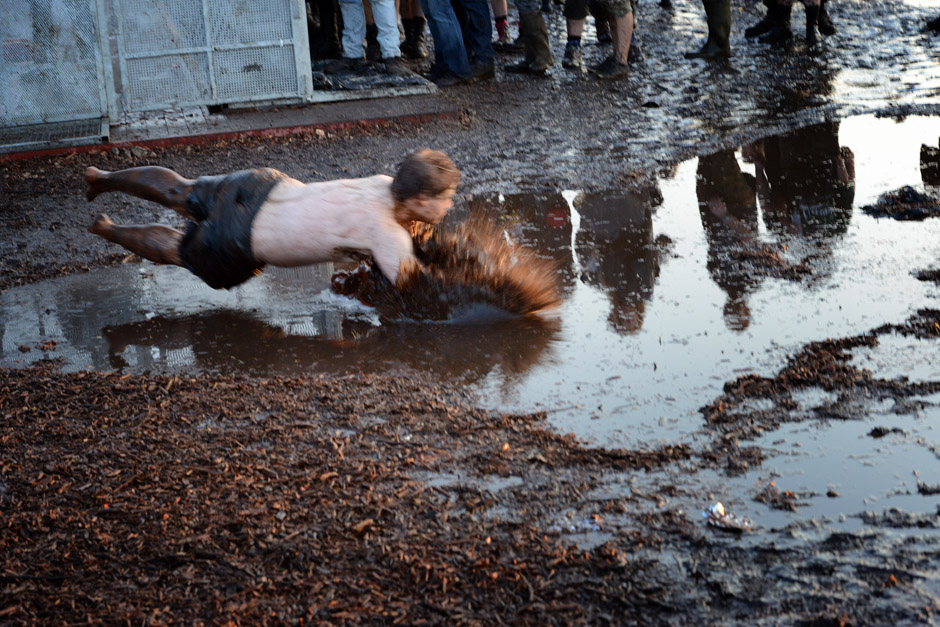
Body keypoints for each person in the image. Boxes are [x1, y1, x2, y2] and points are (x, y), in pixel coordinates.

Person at [84, 149, 461, 290]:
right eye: (445, 197)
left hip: (261, 186)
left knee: (179, 190)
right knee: (178, 252)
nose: (450, 204)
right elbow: (422, 297)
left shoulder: (382, 183)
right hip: (243, 242)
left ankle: (102, 178)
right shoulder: (387, 234)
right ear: (420, 199)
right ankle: (108, 229)